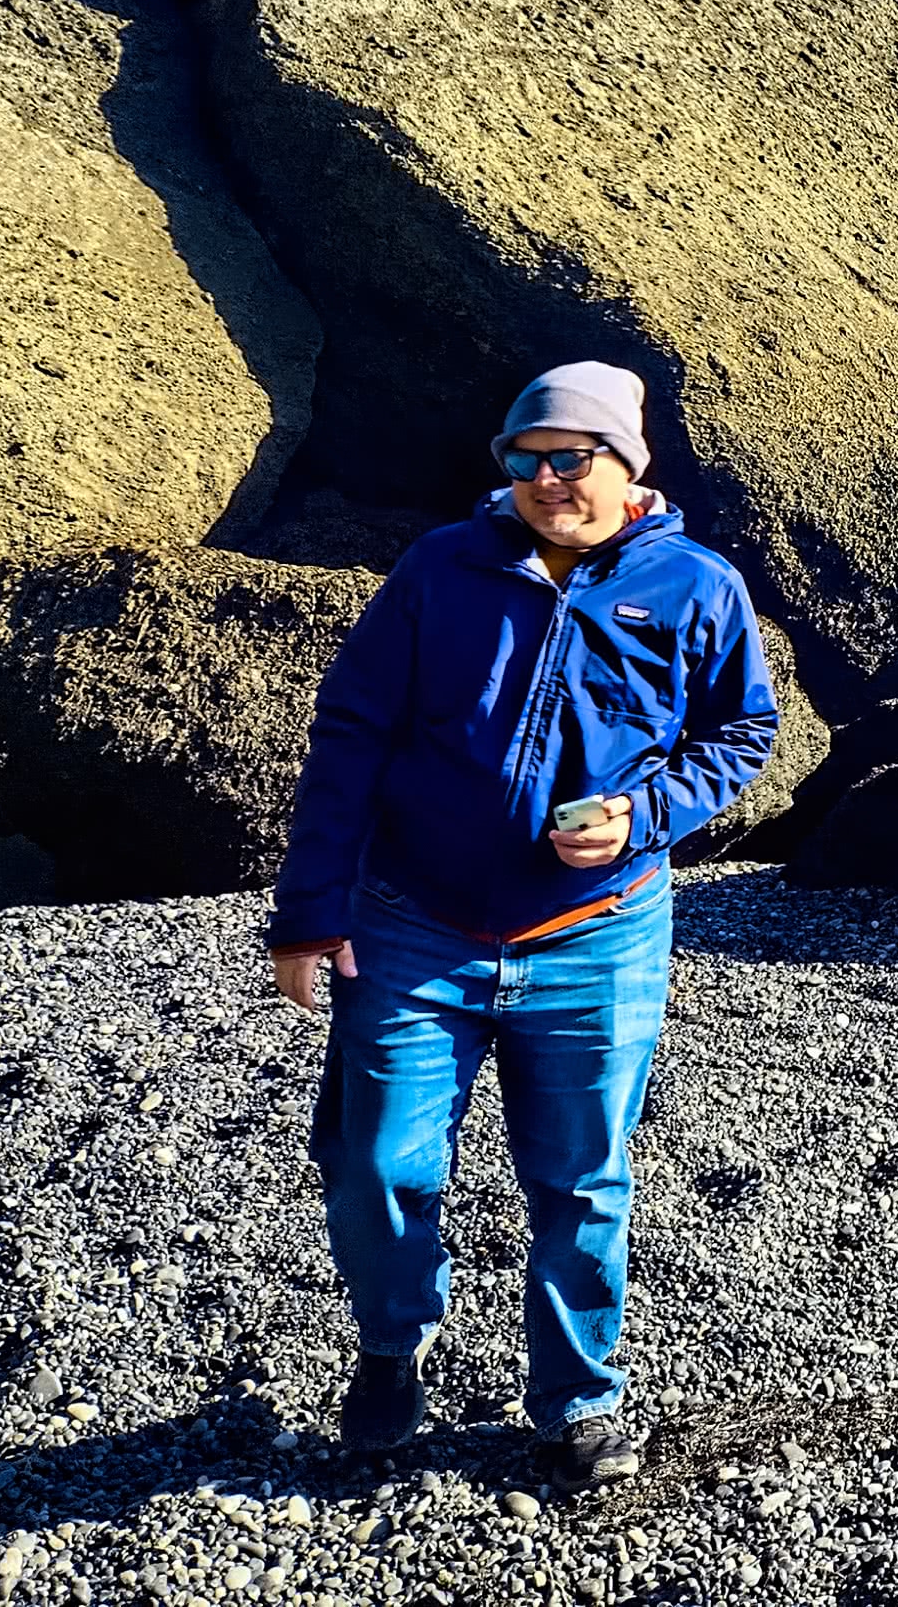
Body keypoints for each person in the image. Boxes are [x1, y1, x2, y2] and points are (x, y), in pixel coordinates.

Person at [263, 361, 780, 1489]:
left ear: (627, 467)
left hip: (599, 933)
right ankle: (393, 1348)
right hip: (414, 924)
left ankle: (578, 1402)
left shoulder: (698, 587)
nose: (547, 479)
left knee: (581, 1178)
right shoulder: (440, 570)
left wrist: (646, 815)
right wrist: (307, 913)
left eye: (571, 458)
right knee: (373, 1163)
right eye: (526, 459)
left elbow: (742, 735)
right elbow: (351, 733)